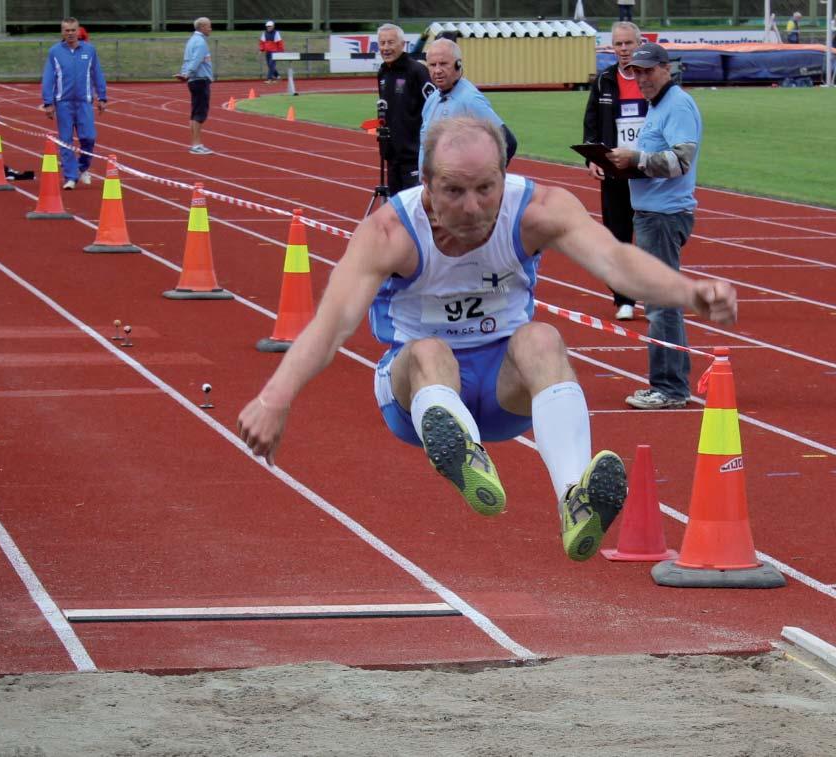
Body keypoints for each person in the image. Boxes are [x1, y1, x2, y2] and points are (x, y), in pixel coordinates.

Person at [237, 116, 737, 562]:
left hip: (503, 386)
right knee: (431, 351)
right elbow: (332, 324)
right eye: (454, 191)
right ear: (426, 186)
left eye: (485, 188)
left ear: (504, 176)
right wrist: (274, 399)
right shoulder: (390, 232)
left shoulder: (539, 209)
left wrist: (688, 291)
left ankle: (575, 498)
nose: (473, 207)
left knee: (542, 338)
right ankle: (462, 453)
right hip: (416, 390)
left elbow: (617, 262)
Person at [609, 43, 702, 410]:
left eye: (648, 71)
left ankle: (670, 387)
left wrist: (638, 159)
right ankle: (671, 383)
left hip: (664, 215)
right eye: (636, 72)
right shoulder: (659, 105)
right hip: (651, 212)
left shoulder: (677, 105)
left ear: (666, 69)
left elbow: (682, 161)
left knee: (661, 303)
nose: (641, 79)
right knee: (660, 300)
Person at [583, 21, 647, 322]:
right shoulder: (604, 80)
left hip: (648, 172)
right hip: (614, 172)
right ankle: (624, 298)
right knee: (617, 237)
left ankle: (656, 296)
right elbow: (591, 122)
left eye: (628, 44)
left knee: (650, 237)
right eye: (618, 44)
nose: (623, 50)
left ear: (639, 43)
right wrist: (592, 158)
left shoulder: (652, 79)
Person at [417, 38, 517, 172]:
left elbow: (508, 141)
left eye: (443, 64)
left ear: (458, 64)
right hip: (432, 188)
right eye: (432, 65)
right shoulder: (432, 99)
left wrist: (483, 179)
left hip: (456, 189)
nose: (437, 70)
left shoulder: (469, 99)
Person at [40, 17, 107, 190]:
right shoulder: (55, 52)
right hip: (63, 103)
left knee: (89, 137)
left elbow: (97, 74)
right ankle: (70, 177)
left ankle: (82, 166)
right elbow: (48, 78)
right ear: (62, 32)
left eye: (73, 30)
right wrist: (48, 102)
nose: (70, 33)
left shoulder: (89, 50)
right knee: (65, 140)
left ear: (78, 31)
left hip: (84, 102)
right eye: (66, 30)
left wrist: (102, 97)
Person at [376, 23, 431, 196]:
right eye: (382, 43)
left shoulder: (417, 71)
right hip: (392, 156)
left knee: (416, 209)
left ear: (402, 44)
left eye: (390, 42)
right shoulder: (383, 72)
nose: (386, 48)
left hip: (414, 157)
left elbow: (433, 108)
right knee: (396, 210)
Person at [175, 17, 214, 155]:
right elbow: (196, 60)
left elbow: (187, 60)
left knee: (195, 112)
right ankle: (196, 145)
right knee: (200, 113)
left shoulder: (192, 40)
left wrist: (184, 73)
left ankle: (196, 143)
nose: (211, 28)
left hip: (194, 80)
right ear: (202, 27)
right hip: (200, 79)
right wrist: (187, 73)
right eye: (209, 26)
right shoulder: (200, 42)